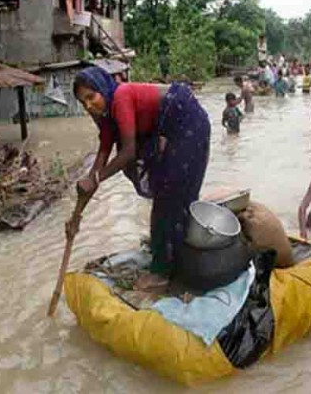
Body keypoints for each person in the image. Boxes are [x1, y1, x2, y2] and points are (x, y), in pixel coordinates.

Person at [73, 66, 211, 288]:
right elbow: (100, 160)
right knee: (166, 196)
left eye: (91, 97)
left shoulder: (121, 96)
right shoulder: (107, 117)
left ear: (102, 89)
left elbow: (128, 152)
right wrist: (76, 215)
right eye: (83, 102)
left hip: (186, 120)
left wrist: (95, 179)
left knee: (172, 195)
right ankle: (168, 250)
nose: (89, 105)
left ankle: (164, 271)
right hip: (169, 127)